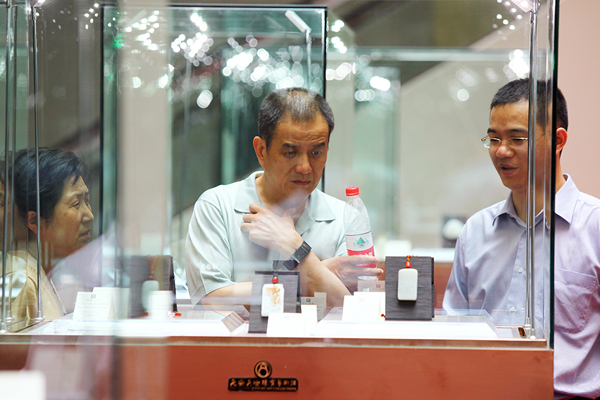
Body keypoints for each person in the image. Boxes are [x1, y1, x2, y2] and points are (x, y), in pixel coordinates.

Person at [443, 79, 600, 399]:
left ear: (558, 140)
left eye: (517, 138)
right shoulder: (475, 231)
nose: (501, 151)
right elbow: (454, 332)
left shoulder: (594, 226)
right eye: (493, 139)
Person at [185, 87, 380, 307]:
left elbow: (354, 307)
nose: (305, 167)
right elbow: (212, 299)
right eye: (290, 153)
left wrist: (293, 245)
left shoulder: (346, 217)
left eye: (316, 152)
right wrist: (313, 274)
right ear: (261, 151)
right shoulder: (217, 206)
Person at [10, 148, 94, 322]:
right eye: (76, 203)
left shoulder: (41, 271)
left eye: (87, 201)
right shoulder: (22, 280)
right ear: (34, 220)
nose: (89, 215)